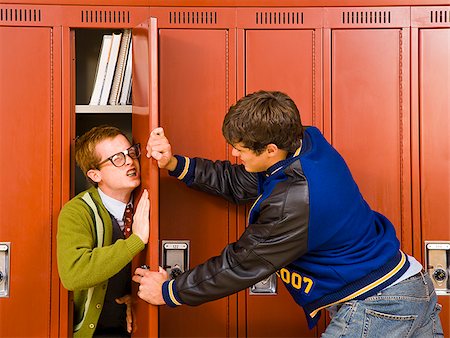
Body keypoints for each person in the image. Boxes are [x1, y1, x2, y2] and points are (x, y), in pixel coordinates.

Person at [133, 91, 443, 336]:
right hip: (407, 289)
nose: (234, 154)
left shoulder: (295, 200)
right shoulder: (304, 142)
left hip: (379, 303)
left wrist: (170, 291)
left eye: (239, 149)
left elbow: (242, 264)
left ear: (270, 149)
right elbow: (243, 181)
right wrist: (174, 165)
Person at [57, 125, 150, 338]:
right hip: (94, 332)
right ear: (95, 174)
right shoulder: (77, 211)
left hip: (132, 327)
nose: (129, 161)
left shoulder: (145, 203)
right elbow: (74, 274)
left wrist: (133, 298)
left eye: (130, 152)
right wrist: (135, 240)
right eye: (117, 158)